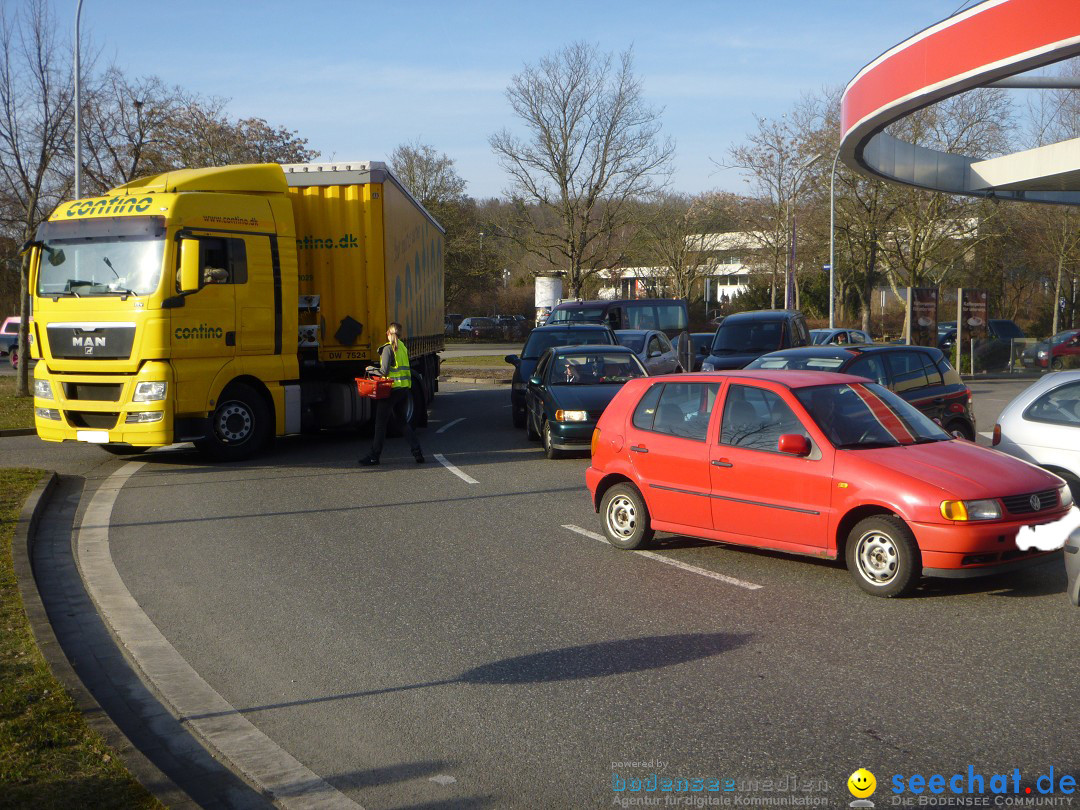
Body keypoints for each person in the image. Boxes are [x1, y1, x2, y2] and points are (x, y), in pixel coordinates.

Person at [359, 323, 425, 465]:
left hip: (391, 390)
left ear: (388, 333)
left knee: (380, 423)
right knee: (401, 422)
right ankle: (417, 451)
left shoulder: (387, 349)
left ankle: (374, 456)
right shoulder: (402, 347)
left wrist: (370, 369)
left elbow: (384, 372)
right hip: (403, 389)